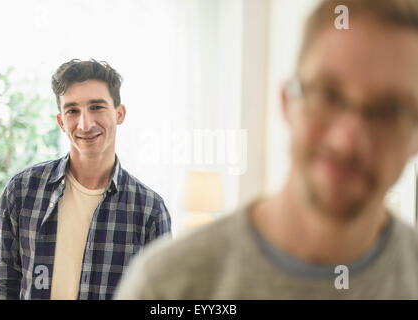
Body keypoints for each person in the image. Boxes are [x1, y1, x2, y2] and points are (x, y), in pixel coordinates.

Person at [115, 0, 418, 299]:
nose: (346, 141)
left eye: (389, 111)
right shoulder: (166, 286)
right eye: (328, 95)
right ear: (288, 102)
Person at [0, 59, 171, 300]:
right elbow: (0, 283)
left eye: (97, 107)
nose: (85, 124)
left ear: (119, 114)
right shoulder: (20, 191)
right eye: (72, 111)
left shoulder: (150, 211)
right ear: (61, 121)